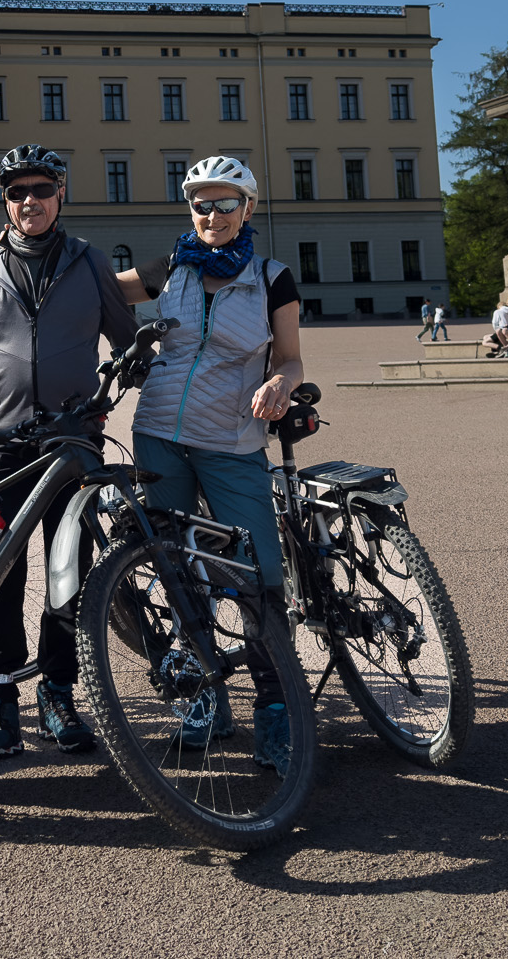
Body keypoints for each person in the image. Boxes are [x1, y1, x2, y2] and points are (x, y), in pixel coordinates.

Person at [0, 143, 136, 770]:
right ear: (6, 200)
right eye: (18, 192)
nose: (30, 202)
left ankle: (58, 694)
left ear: (60, 194)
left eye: (41, 190)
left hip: (74, 445)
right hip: (3, 446)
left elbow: (128, 344)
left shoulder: (89, 262)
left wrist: (119, 386)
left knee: (66, 575)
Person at [112, 156, 307, 771]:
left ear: (247, 209)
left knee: (257, 575)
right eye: (202, 204)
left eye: (226, 204)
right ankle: (203, 697)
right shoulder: (172, 268)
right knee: (175, 571)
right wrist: (19, 247)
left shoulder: (272, 278)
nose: (213, 216)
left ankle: (275, 713)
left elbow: (293, 359)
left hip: (231, 441)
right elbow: (96, 285)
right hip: (159, 436)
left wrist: (281, 383)